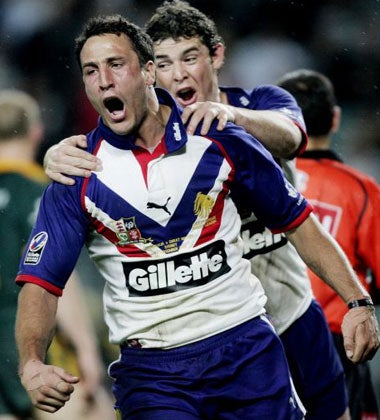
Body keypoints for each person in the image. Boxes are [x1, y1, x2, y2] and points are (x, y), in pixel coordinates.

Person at [14, 13, 379, 420]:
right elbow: (41, 282)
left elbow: (293, 157)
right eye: (90, 71)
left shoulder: (233, 128)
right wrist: (31, 361)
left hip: (263, 333)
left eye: (116, 65)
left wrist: (357, 300)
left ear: (146, 70)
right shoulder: (77, 171)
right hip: (154, 371)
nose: (104, 80)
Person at [0, 89, 114, 420]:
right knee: (97, 412)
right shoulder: (42, 195)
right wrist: (87, 350)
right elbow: (55, 282)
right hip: (29, 347)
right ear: (36, 133)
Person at [276, 68, 380, 420]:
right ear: (335, 119)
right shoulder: (359, 190)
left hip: (268, 337)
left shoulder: (254, 179)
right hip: (339, 341)